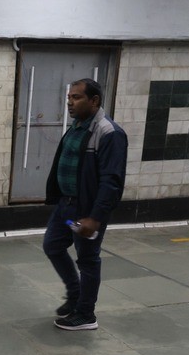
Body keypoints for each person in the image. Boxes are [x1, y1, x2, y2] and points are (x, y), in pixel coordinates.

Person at [43, 78, 127, 331]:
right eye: (69, 97)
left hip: (86, 211)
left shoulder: (109, 132)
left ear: (94, 101)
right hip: (66, 209)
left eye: (77, 97)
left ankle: (86, 314)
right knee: (53, 245)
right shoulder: (78, 126)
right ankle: (76, 293)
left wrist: (95, 218)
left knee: (88, 260)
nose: (70, 102)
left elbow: (112, 181)